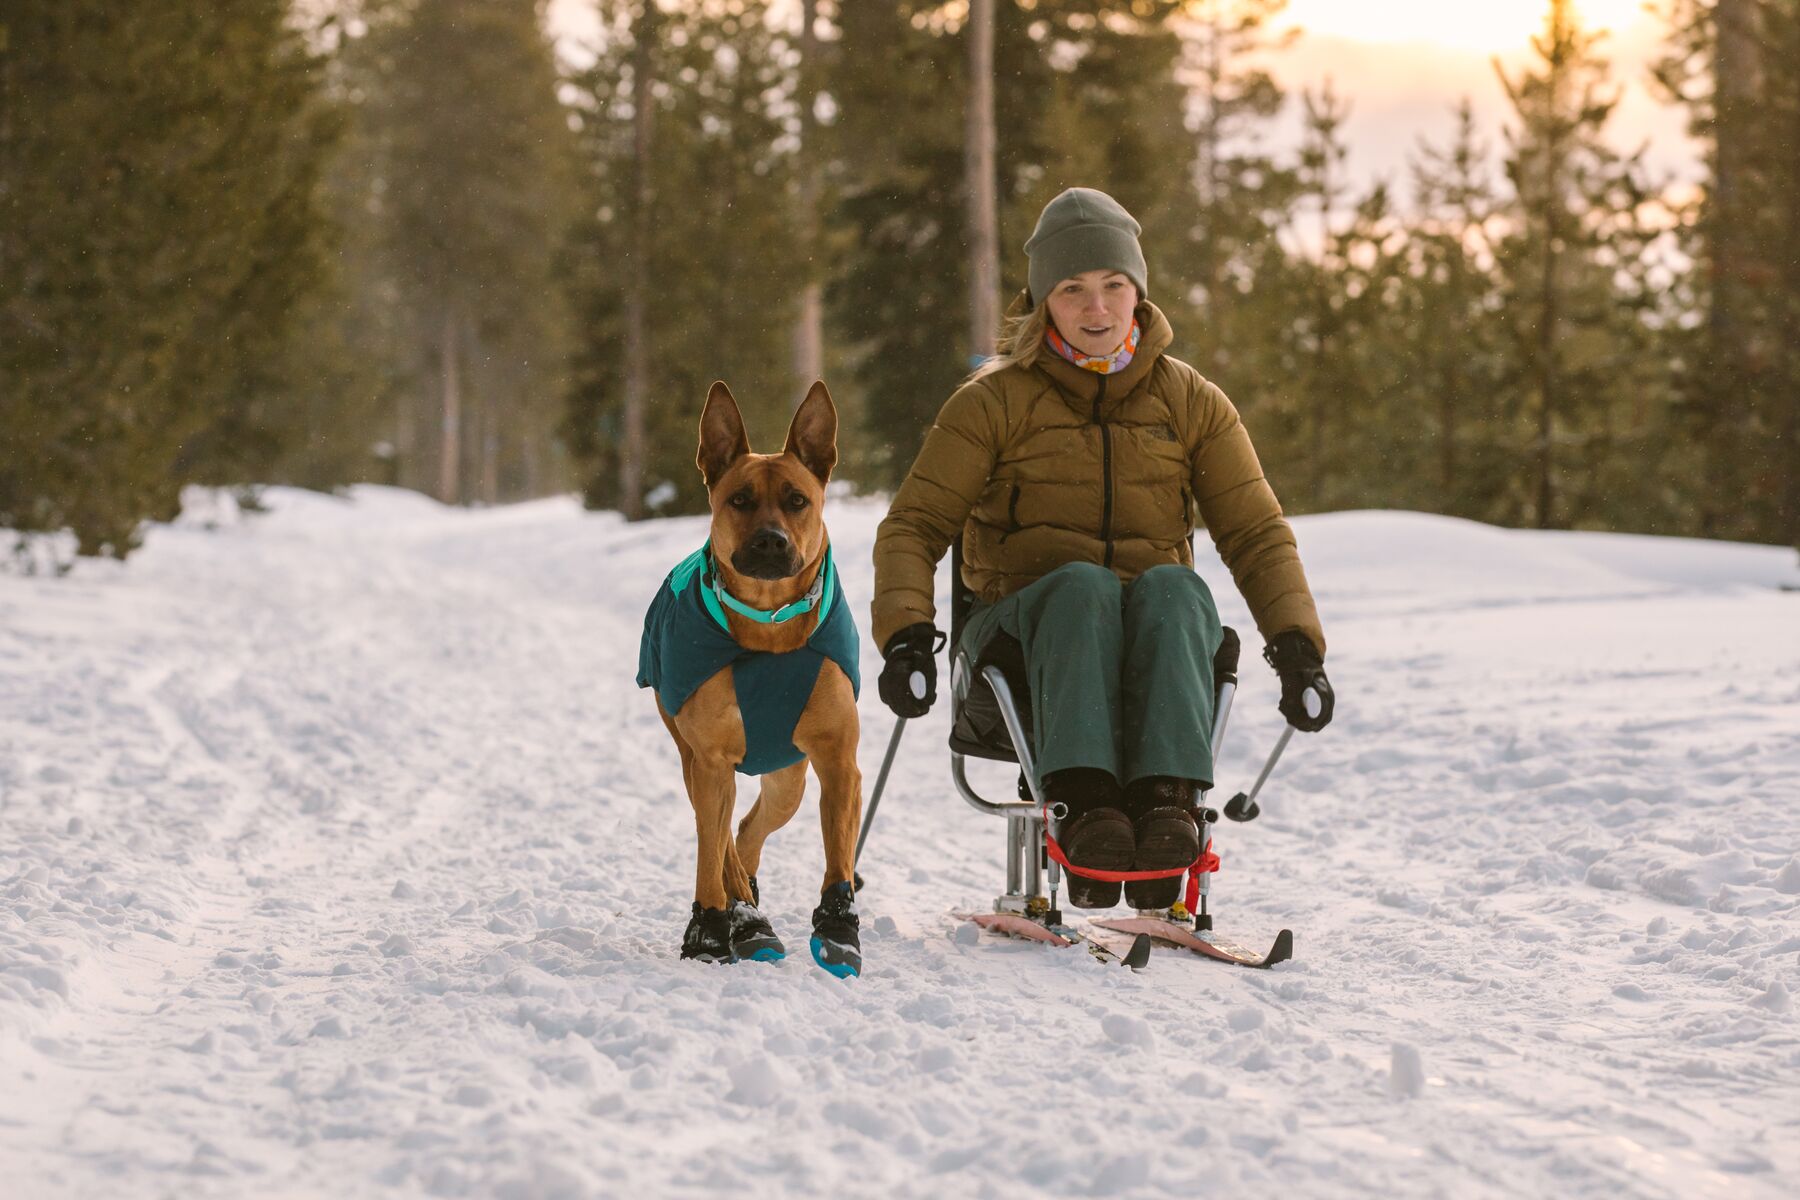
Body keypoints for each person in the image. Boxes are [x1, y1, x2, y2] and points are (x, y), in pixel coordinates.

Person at [870, 187, 1334, 910]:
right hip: (1022, 647)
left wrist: (1299, 646)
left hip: (1151, 639)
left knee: (1177, 589)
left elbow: (1254, 531)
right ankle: (1083, 812)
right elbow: (914, 525)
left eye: (1114, 286)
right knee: (1082, 587)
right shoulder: (993, 403)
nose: (1097, 310)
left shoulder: (1191, 403)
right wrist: (905, 638)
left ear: (1139, 294)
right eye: (1073, 289)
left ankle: (1166, 813)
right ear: (1043, 302)